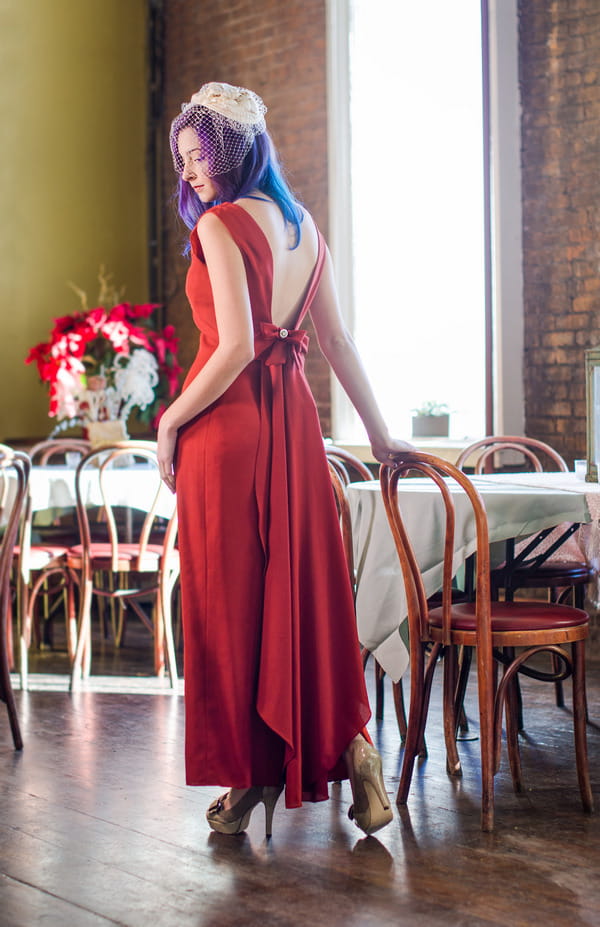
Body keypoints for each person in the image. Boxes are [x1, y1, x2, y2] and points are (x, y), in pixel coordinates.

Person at [157, 81, 413, 838]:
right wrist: (380, 433)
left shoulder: (222, 225)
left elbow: (234, 346)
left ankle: (248, 781)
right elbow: (336, 344)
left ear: (233, 150)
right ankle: (354, 749)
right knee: (300, 599)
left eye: (198, 157)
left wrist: (171, 418)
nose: (190, 174)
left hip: (229, 434)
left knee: (232, 610)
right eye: (182, 162)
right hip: (296, 428)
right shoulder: (306, 230)